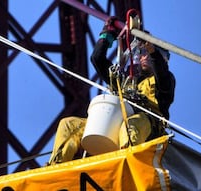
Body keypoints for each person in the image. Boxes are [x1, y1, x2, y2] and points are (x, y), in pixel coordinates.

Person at [47, 16, 175, 165]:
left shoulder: (164, 81)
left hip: (147, 127)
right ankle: (56, 165)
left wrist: (153, 51)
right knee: (68, 125)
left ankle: (127, 166)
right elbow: (97, 59)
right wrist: (107, 36)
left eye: (147, 53)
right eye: (142, 53)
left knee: (131, 126)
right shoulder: (124, 81)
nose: (143, 56)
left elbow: (162, 73)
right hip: (114, 122)